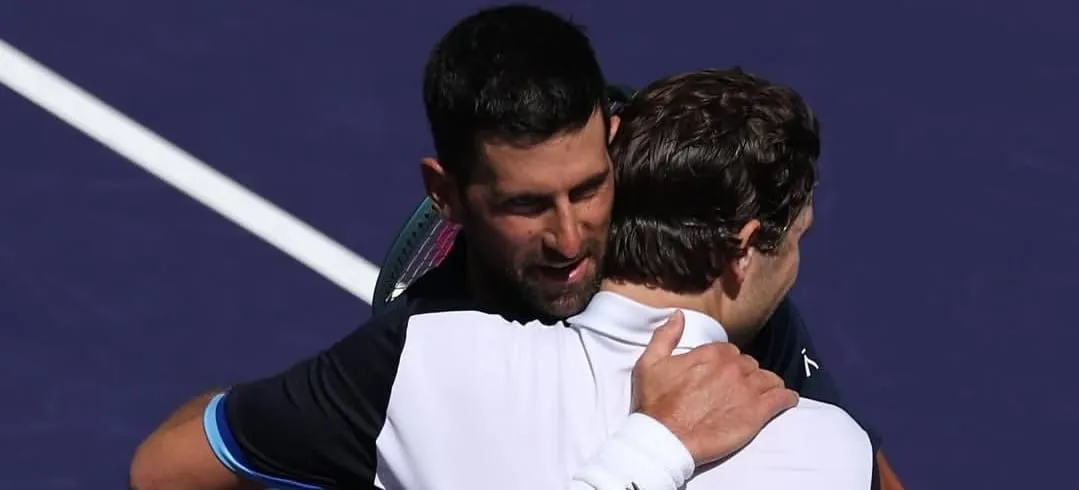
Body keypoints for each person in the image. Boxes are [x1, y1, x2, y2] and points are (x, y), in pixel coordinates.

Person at [128, 4, 897, 489]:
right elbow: (167, 470)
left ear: (616, 142)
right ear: (448, 195)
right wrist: (656, 447)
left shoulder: (426, 364)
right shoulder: (412, 362)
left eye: (591, 188)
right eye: (526, 206)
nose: (568, 239)